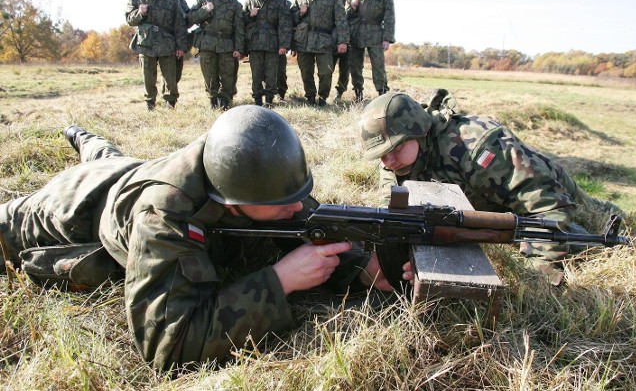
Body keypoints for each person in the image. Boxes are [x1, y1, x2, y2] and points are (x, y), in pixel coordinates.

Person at [0, 106, 412, 372]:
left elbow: (304, 225)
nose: (298, 210)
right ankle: (76, 135)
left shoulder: (252, 173)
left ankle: (80, 133)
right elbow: (166, 343)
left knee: (102, 151)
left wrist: (362, 268)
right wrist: (280, 280)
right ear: (234, 199)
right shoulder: (163, 216)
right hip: (72, 206)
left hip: (130, 168)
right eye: (286, 204)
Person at [359, 90, 623, 285]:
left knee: (587, 245)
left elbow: (546, 203)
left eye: (394, 149)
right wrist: (407, 255)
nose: (387, 161)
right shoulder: (396, 162)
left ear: (419, 131)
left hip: (553, 204)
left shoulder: (477, 146)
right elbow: (396, 213)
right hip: (491, 214)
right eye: (381, 155)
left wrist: (538, 280)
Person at [126, 0, 188, 110]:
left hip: (167, 42)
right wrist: (139, 13)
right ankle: (150, 104)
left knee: (170, 76)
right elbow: (129, 19)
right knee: (148, 76)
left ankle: (170, 102)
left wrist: (181, 46)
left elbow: (179, 23)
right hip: (146, 42)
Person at [291, 0, 349, 107]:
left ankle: (322, 98)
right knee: (306, 72)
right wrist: (300, 13)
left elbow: (341, 19)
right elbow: (290, 19)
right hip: (303, 40)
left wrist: (343, 41)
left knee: (325, 72)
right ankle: (310, 97)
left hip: (324, 40)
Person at [189, 0, 244, 110]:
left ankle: (225, 101)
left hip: (227, 44)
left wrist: (238, 48)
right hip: (208, 43)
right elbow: (190, 19)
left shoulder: (235, 4)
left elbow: (239, 28)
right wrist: (204, 10)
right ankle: (213, 100)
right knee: (209, 74)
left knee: (227, 75)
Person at [346, 0, 395, 102]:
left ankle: (382, 93)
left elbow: (389, 15)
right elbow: (344, 16)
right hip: (357, 33)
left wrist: (387, 38)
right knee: (355, 65)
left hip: (376, 32)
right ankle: (358, 94)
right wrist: (352, 6)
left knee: (378, 65)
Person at [243, 0, 292, 106]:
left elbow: (285, 24)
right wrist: (249, 15)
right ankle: (258, 101)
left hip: (272, 43)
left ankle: (269, 101)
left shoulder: (279, 0)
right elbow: (241, 22)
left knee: (272, 74)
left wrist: (284, 45)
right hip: (255, 43)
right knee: (256, 74)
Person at [161, 0, 192, 103]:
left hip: (178, 41)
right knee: (167, 73)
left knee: (176, 73)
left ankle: (169, 97)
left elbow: (188, 21)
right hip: (161, 42)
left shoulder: (181, 1)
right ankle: (168, 99)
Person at [333, 0, 356, 103]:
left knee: (345, 70)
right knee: (327, 67)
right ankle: (323, 92)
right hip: (333, 40)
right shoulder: (334, 0)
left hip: (350, 42)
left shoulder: (358, 1)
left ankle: (339, 92)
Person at [272, 0, 290, 102]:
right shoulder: (264, 0)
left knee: (280, 71)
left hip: (280, 43)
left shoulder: (286, 3)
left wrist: (284, 45)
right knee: (265, 71)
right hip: (265, 42)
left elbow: (288, 26)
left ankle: (281, 94)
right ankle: (268, 93)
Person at [226, 0, 242, 99]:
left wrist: (239, 48)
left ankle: (230, 95)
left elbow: (240, 29)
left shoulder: (237, 5)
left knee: (231, 71)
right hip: (217, 43)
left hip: (232, 44)